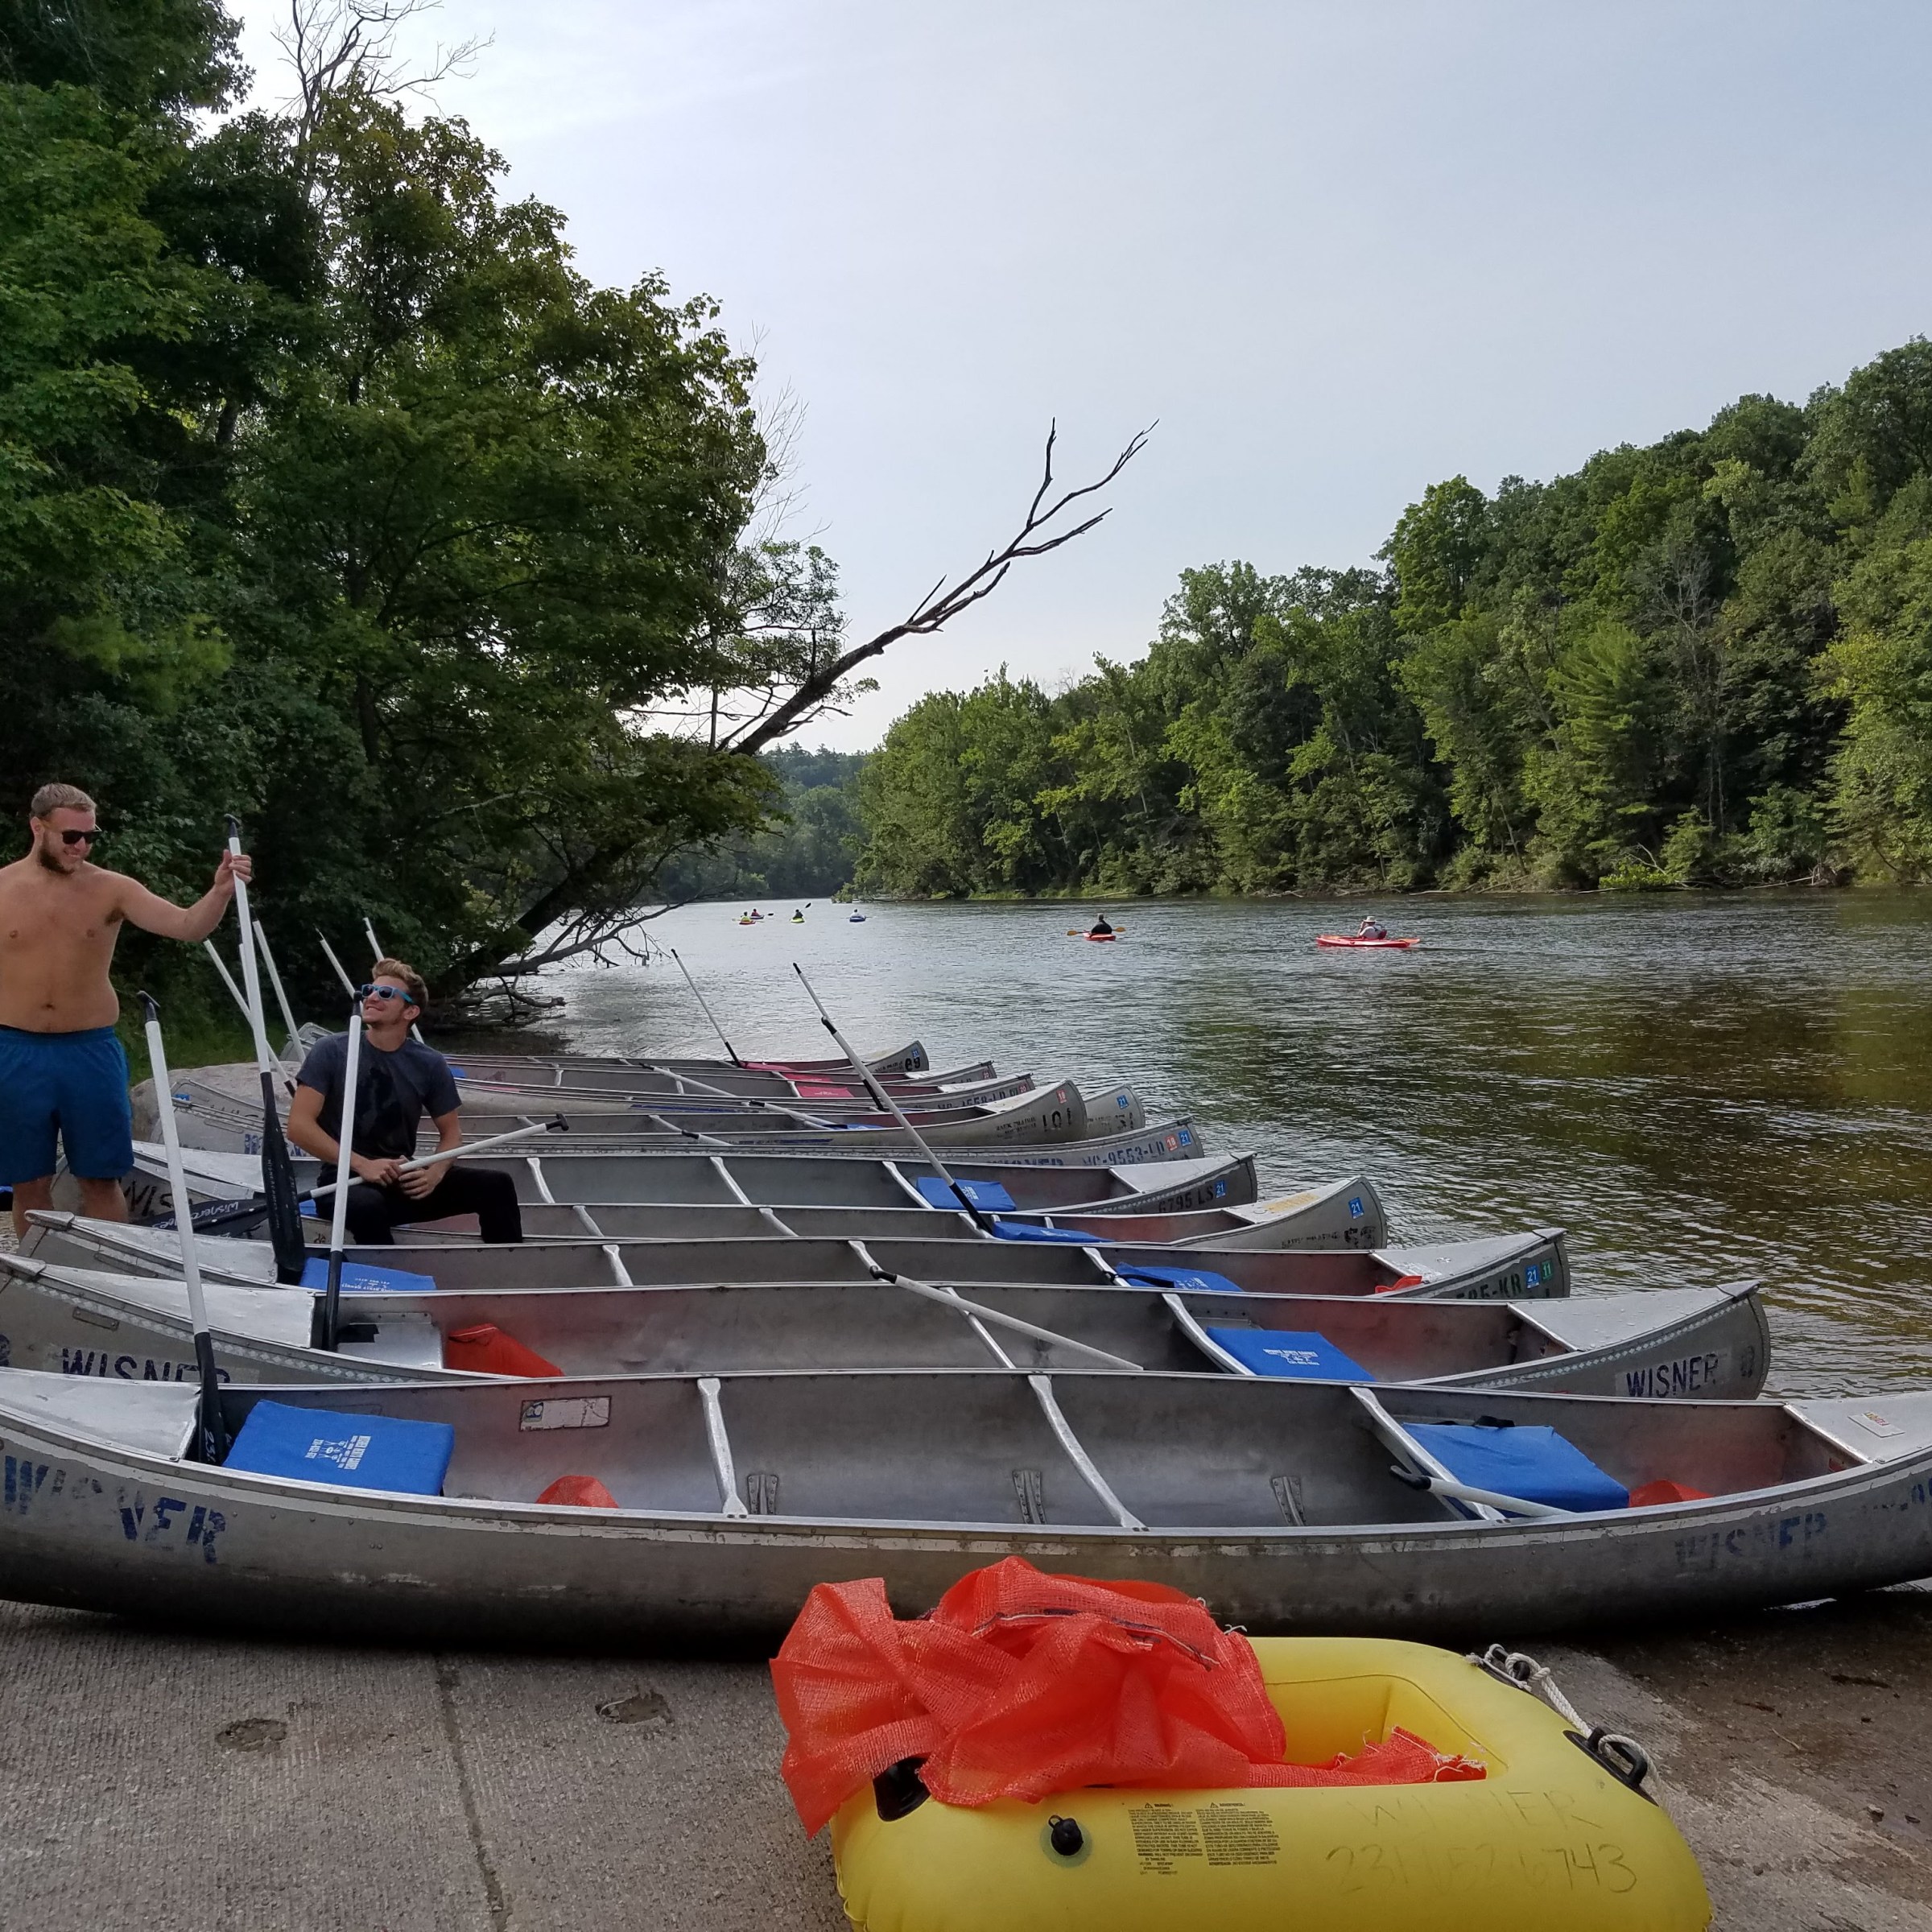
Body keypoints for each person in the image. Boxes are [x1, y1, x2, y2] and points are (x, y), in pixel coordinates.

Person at [0, 782, 253, 1238]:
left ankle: (110, 1271)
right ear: (37, 828)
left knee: (100, 1175)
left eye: (90, 836)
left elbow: (187, 926)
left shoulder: (110, 888)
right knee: (28, 1179)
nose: (82, 846)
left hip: (88, 1049)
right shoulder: (2, 888)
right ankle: (35, 1274)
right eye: (71, 836)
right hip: (16, 1048)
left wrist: (218, 892)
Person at [286, 959, 524, 1245]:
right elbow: (298, 1127)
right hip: (343, 1181)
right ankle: (386, 1281)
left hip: (402, 1176)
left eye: (386, 994)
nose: (372, 997)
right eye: (370, 990)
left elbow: (451, 1135)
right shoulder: (332, 1051)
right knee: (368, 1206)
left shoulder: (429, 1063)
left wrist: (434, 1173)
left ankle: (505, 1271)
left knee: (497, 1185)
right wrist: (362, 1165)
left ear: (410, 1011)